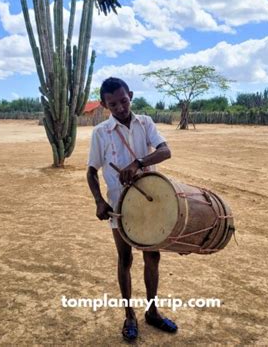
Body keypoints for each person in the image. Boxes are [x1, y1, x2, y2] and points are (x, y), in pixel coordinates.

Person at [86, 77, 177, 341]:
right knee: (125, 259)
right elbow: (91, 172)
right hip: (119, 208)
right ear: (105, 105)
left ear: (131, 96)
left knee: (152, 258)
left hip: (150, 205)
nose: (120, 108)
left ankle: (152, 312)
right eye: (112, 104)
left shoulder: (145, 123)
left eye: (123, 101)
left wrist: (137, 163)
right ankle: (129, 316)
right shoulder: (101, 133)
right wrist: (99, 201)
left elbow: (165, 151)